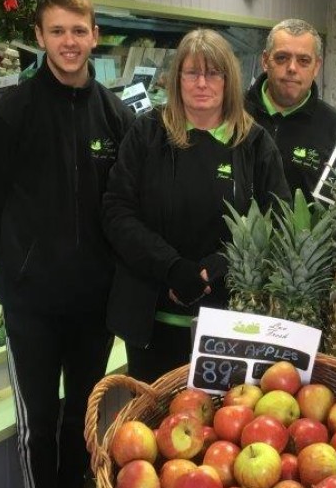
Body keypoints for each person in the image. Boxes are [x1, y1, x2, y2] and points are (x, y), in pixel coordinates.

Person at [0, 0, 133, 486]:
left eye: (78, 30)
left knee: (82, 419)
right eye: (57, 31)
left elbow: (125, 207)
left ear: (95, 35)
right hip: (31, 306)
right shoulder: (10, 115)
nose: (69, 42)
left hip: (94, 305)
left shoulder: (116, 116)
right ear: (39, 36)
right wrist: (20, 261)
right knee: (37, 426)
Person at [104, 29, 289, 383]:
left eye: (213, 73)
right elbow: (117, 210)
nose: (201, 83)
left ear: (228, 80)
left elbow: (277, 221)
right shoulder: (148, 133)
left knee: (224, 429)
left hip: (229, 322)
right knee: (150, 428)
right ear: (177, 79)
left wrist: (217, 267)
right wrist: (171, 267)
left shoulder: (254, 144)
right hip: (150, 321)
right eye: (192, 73)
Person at [246, 18, 336, 198]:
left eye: (303, 60)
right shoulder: (232, 111)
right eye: (282, 58)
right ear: (265, 60)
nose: (292, 68)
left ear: (316, 66)